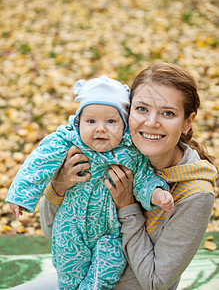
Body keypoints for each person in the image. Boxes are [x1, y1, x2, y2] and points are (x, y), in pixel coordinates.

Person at [36, 62, 216, 290]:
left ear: (187, 123)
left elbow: (155, 282)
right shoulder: (106, 153)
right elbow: (50, 231)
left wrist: (127, 206)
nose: (151, 122)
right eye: (142, 109)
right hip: (79, 280)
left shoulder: (195, 194)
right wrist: (58, 186)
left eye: (168, 113)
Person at [6, 76, 172, 290]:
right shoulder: (67, 141)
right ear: (78, 122)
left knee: (111, 264)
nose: (100, 129)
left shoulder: (130, 152)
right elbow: (38, 164)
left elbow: (143, 178)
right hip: (70, 226)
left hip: (110, 231)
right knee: (69, 270)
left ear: (124, 123)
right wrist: (21, 195)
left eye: (111, 121)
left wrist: (157, 193)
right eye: (91, 121)